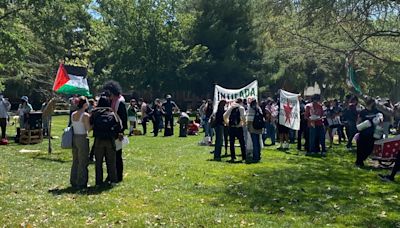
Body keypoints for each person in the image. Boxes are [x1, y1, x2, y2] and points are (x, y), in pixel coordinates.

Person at [90, 95, 121, 186]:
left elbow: (90, 124)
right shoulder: (111, 113)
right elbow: (118, 125)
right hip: (110, 140)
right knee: (111, 161)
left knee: (98, 162)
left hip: (98, 139)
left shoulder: (95, 113)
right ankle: (113, 180)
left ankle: (98, 181)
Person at [103, 81, 127, 183]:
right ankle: (111, 175)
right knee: (110, 155)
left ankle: (119, 175)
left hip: (118, 132)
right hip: (110, 131)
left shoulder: (120, 102)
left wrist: (121, 132)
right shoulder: (111, 101)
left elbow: (124, 120)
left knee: (117, 155)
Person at [70, 96, 91, 189]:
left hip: (75, 137)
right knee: (83, 161)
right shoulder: (85, 115)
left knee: (76, 160)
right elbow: (88, 128)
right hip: (82, 137)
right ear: (85, 104)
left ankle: (73, 180)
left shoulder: (73, 114)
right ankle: (81, 181)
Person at [355, 97, 381, 167]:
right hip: (363, 132)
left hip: (372, 132)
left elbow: (380, 119)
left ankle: (362, 158)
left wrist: (380, 121)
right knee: (360, 147)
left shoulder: (376, 111)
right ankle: (359, 162)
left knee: (369, 148)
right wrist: (358, 127)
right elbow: (358, 120)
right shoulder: (363, 112)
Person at [224, 98, 246, 162]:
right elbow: (244, 117)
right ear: (241, 102)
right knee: (242, 142)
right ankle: (244, 157)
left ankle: (233, 157)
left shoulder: (231, 107)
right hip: (239, 127)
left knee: (232, 143)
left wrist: (227, 123)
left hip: (231, 127)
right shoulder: (241, 108)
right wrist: (243, 123)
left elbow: (225, 115)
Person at [247, 99, 263, 163]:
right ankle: (258, 155)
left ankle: (255, 156)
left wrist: (248, 127)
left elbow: (249, 119)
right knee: (258, 142)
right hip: (259, 127)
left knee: (254, 143)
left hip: (252, 127)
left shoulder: (251, 109)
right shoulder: (258, 108)